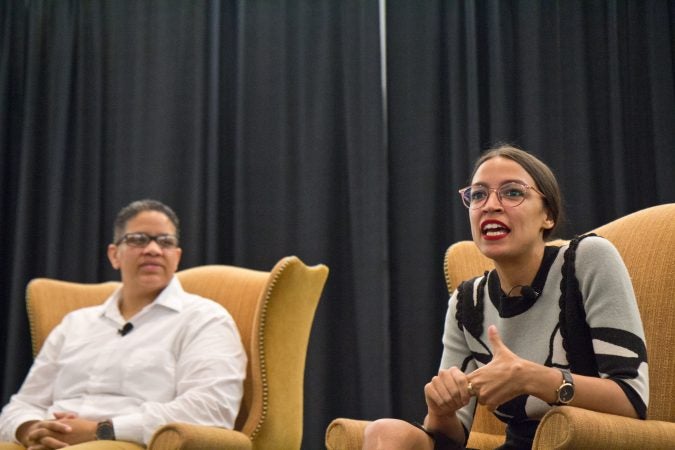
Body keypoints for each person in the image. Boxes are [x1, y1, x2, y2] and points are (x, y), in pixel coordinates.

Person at [362, 145, 648, 450]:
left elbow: (632, 397)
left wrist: (532, 378)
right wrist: (440, 409)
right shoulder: (467, 302)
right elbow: (451, 437)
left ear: (548, 215)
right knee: (385, 432)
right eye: (478, 195)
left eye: (512, 193)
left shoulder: (587, 260)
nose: (490, 205)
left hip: (587, 441)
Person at [0, 199, 247, 450]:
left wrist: (102, 430)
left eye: (165, 242)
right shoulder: (75, 323)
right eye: (138, 239)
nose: (153, 249)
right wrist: (31, 429)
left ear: (176, 256)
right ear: (114, 254)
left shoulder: (205, 318)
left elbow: (211, 409)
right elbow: (23, 403)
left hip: (127, 443)